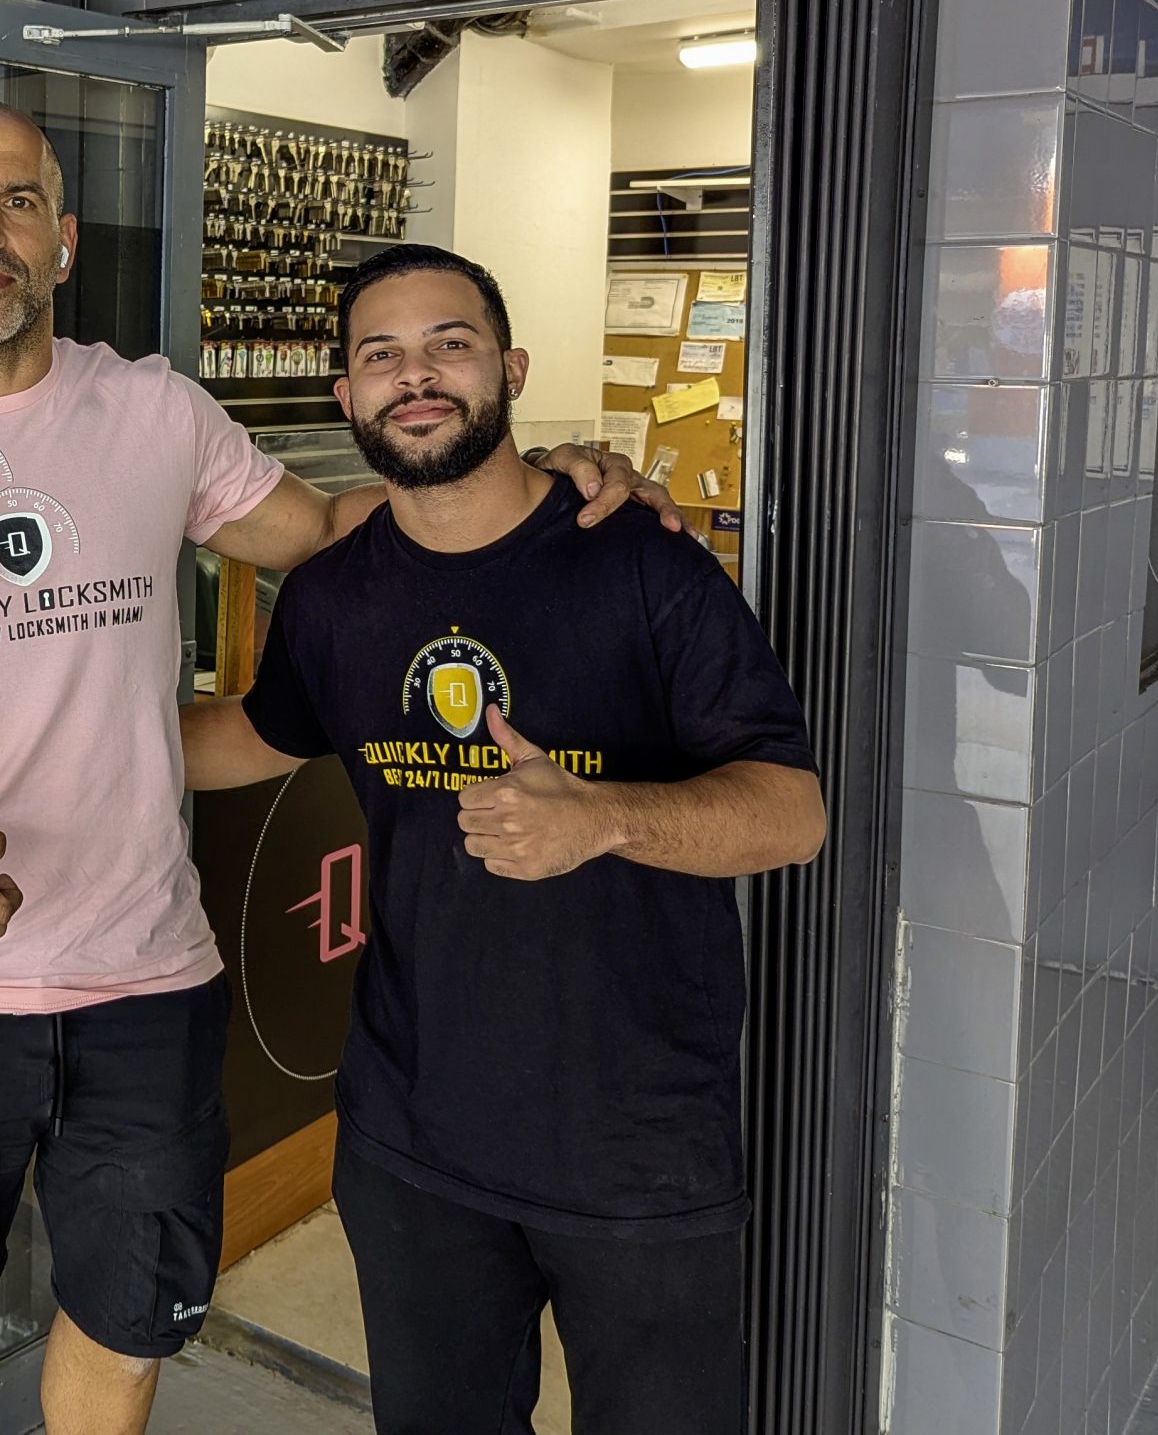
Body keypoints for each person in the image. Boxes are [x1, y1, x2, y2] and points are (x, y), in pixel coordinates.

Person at [0, 101, 682, 1435]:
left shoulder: (155, 411)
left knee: (124, 1329)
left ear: (63, 241)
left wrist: (543, 473)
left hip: (143, 979)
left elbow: (337, 530)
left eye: (16, 203)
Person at [180, 244, 826, 1435]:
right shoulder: (332, 596)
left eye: (449, 344)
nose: (414, 375)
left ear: (511, 368)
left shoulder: (641, 561)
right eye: (380, 354)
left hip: (636, 1144)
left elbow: (791, 811)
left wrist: (609, 815)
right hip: (412, 1128)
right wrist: (33, 730)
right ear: (345, 397)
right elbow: (258, 736)